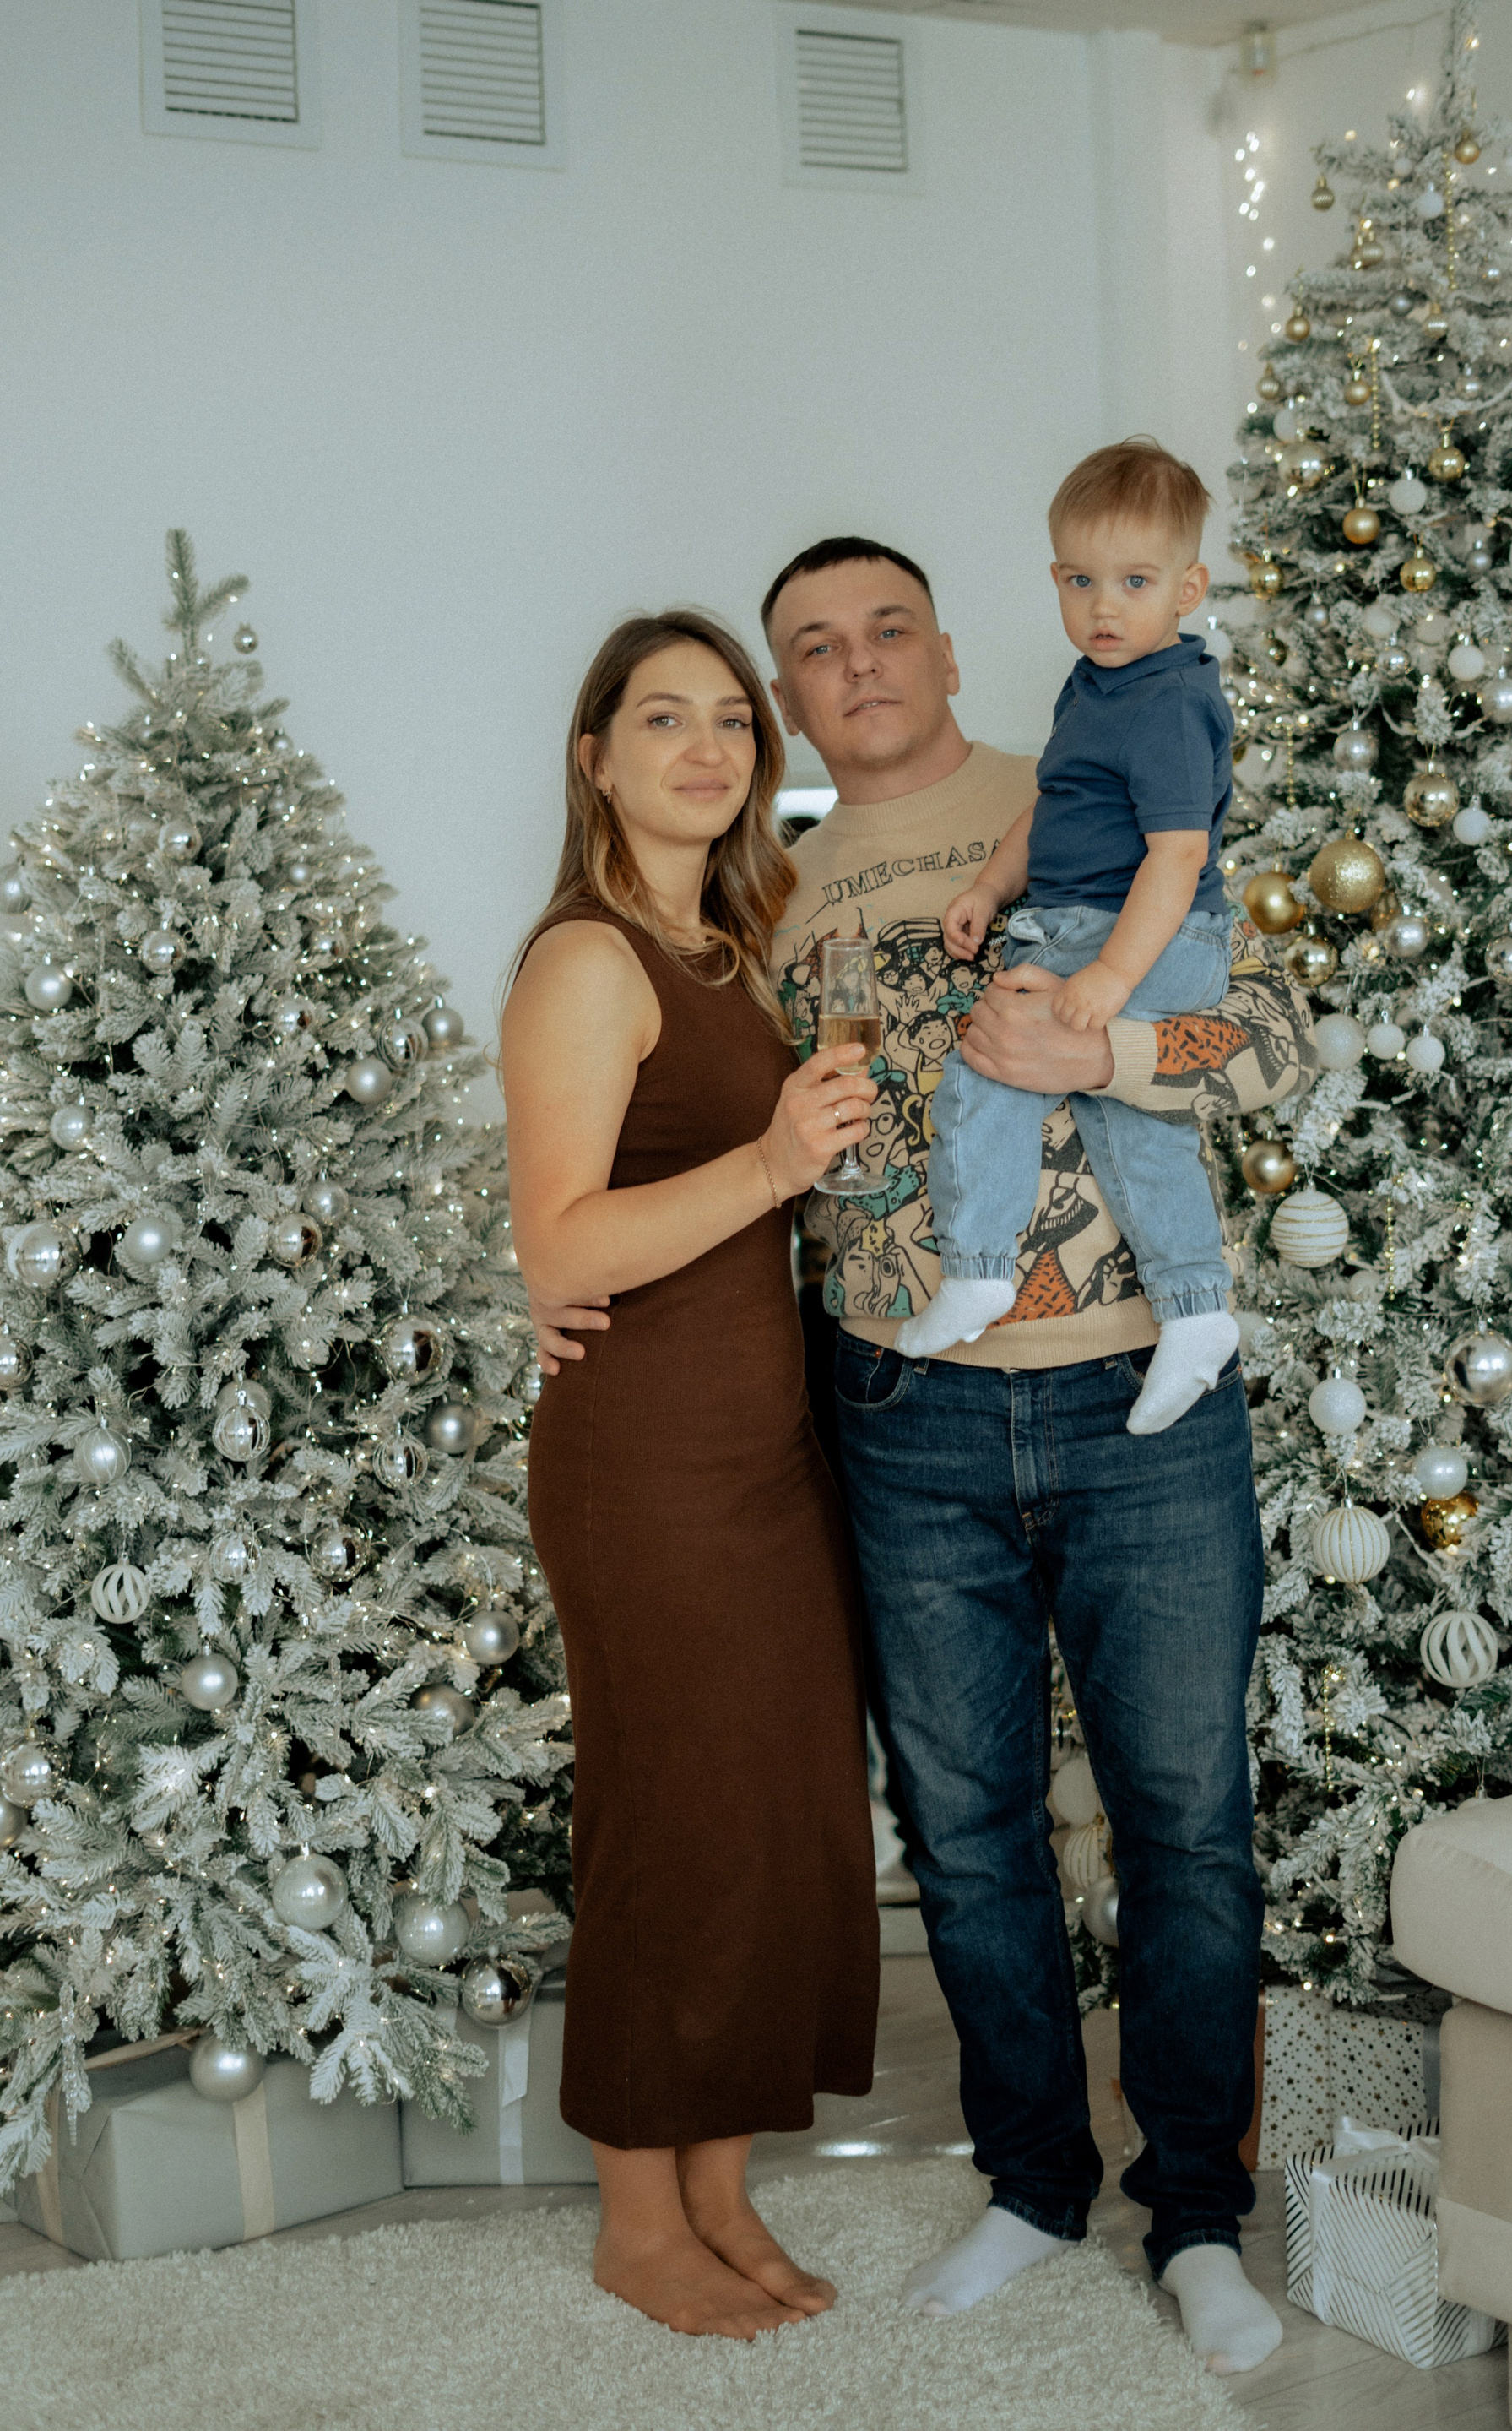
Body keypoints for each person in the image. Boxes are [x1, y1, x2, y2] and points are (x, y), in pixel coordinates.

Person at [534, 543, 1314, 2375]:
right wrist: (561, 1287)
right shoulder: (756, 896)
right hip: (898, 1414)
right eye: (812, 648)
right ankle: (1032, 2181)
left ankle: (1198, 2212)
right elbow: (670, 1139)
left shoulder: (1093, 795)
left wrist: (1110, 1046)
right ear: (788, 701)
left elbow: (1277, 1036)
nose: (859, 662)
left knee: (1187, 1823)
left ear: (952, 649)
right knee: (966, 1836)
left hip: (1139, 1395)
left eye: (889, 627)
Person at [501, 608, 881, 2342]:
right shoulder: (591, 959)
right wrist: (777, 1158)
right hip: (645, 1460)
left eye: (732, 717)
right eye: (664, 717)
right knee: (670, 1823)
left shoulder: (732, 948)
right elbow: (562, 1247)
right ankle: (637, 2218)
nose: (709, 745)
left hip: (764, 1453)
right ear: (596, 757)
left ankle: (721, 2185)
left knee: (767, 1820)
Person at [897, 441, 1241, 1438]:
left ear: (1187, 588)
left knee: (990, 1067)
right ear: (1055, 578)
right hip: (1085, 920)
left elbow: (1177, 855)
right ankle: (1197, 1309)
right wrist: (989, 885)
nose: (1104, 607)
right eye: (1081, 581)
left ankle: (978, 1269)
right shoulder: (1093, 685)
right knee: (1128, 1118)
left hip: (1142, 930)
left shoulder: (1170, 702)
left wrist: (1111, 975)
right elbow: (1054, 803)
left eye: (1135, 582)